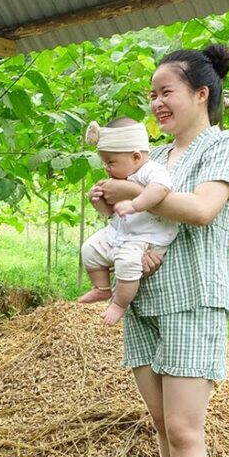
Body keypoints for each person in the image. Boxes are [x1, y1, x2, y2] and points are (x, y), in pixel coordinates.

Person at [90, 44, 229, 457]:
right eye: (152, 94)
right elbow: (130, 217)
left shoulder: (223, 145)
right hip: (144, 301)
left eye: (167, 92)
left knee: (184, 429)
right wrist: (108, 201)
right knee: (161, 423)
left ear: (201, 94)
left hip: (193, 298)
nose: (157, 102)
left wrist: (134, 194)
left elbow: (202, 210)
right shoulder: (153, 154)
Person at [79, 117, 175, 325]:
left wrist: (134, 204)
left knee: (127, 264)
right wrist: (97, 201)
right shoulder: (120, 177)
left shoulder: (152, 170)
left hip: (145, 238)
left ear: (136, 157)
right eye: (105, 162)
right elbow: (110, 212)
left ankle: (119, 304)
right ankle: (101, 288)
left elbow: (160, 189)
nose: (106, 168)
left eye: (110, 162)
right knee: (89, 249)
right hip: (119, 233)